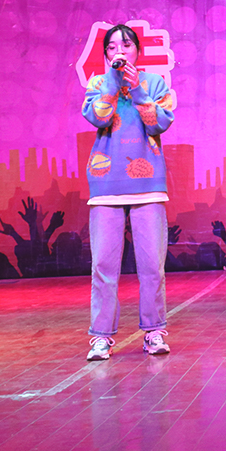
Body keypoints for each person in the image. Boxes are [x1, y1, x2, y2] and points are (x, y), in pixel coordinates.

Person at [81, 25, 176, 360]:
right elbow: (98, 117)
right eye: (111, 47)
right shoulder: (98, 84)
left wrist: (136, 90)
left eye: (126, 45)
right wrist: (113, 80)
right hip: (106, 185)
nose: (119, 51)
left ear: (138, 50)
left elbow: (159, 123)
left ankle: (154, 332)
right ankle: (101, 337)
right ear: (106, 54)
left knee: (151, 266)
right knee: (103, 266)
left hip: (148, 186)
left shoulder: (155, 83)